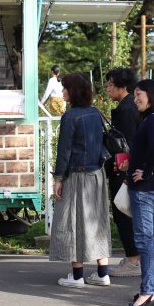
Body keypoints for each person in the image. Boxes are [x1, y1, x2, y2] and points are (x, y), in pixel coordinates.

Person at [49, 73, 112, 291]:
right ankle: (102, 273)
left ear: (73, 91)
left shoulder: (70, 117)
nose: (62, 92)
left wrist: (58, 178)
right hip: (97, 175)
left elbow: (64, 151)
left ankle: (77, 276)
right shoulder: (95, 113)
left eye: (65, 88)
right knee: (98, 222)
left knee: (73, 224)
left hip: (77, 176)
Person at [124, 78, 154, 306]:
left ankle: (147, 291)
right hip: (144, 187)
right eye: (134, 94)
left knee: (144, 240)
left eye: (139, 94)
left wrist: (147, 172)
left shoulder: (153, 121)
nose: (135, 98)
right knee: (147, 239)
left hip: (144, 190)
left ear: (151, 95)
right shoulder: (152, 119)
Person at [104, 67, 141, 277]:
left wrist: (123, 172)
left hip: (124, 169)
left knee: (122, 212)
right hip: (126, 169)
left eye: (111, 84)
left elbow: (126, 145)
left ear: (123, 86)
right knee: (126, 212)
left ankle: (133, 259)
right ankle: (134, 257)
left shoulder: (127, 110)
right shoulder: (127, 106)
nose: (108, 88)